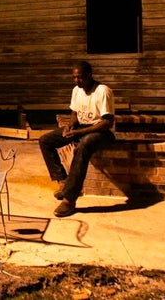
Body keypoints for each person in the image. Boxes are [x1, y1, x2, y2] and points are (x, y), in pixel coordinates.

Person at [37, 61, 116, 217]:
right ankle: (63, 182)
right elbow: (74, 113)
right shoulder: (76, 91)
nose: (76, 81)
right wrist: (69, 126)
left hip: (100, 132)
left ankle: (69, 200)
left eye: (79, 77)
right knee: (45, 140)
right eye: (74, 78)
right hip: (81, 128)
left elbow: (107, 122)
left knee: (82, 146)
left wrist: (81, 132)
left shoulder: (102, 91)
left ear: (89, 75)